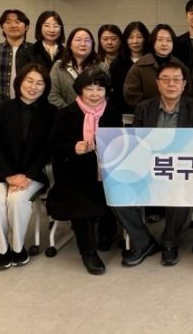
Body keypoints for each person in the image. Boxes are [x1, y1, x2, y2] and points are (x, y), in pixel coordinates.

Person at [114, 62, 193, 267]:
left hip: (180, 169)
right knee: (116, 188)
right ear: (157, 83)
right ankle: (143, 241)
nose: (171, 84)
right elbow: (136, 143)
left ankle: (170, 241)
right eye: (166, 80)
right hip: (147, 168)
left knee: (182, 187)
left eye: (176, 80)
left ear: (184, 85)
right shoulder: (144, 108)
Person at [0, 63, 57, 270]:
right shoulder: (0, 109)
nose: (33, 87)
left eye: (39, 83)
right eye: (29, 81)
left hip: (31, 173)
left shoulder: (51, 112)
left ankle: (18, 248)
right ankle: (2, 249)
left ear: (45, 87)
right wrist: (9, 175)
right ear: (19, 82)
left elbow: (47, 149)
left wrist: (28, 175)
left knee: (17, 200)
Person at [47, 69, 121, 275]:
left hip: (105, 171)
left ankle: (107, 232)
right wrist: (73, 148)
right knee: (81, 198)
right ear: (80, 90)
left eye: (100, 89)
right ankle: (88, 252)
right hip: (73, 173)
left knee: (114, 189)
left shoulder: (112, 113)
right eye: (89, 89)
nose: (95, 94)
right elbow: (52, 147)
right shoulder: (66, 114)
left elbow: (120, 144)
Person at [124, 24, 187, 110]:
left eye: (169, 40)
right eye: (160, 40)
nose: (164, 44)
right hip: (147, 113)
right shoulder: (139, 66)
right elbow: (131, 94)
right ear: (153, 41)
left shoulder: (181, 66)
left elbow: (188, 94)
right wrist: (151, 109)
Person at [0, 9, 33, 109]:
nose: (13, 25)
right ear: (2, 27)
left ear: (26, 26)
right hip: (1, 106)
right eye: (8, 22)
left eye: (17, 22)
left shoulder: (34, 50)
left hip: (31, 106)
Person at [49, 27, 104, 109]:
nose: (83, 44)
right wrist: (71, 112)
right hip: (65, 114)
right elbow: (53, 95)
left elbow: (106, 94)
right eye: (78, 40)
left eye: (87, 40)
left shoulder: (101, 67)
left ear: (92, 45)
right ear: (70, 45)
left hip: (96, 114)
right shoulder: (58, 67)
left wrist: (92, 112)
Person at [109, 21, 150, 117]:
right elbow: (116, 93)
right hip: (124, 113)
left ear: (145, 38)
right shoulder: (117, 64)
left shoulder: (152, 61)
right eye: (131, 37)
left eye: (139, 37)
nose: (135, 41)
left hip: (149, 112)